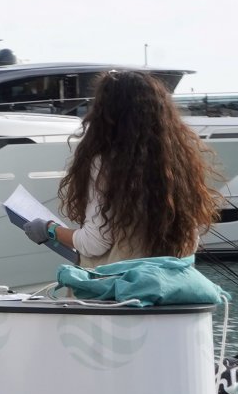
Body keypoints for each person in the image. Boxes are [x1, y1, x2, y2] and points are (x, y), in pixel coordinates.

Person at [19, 70, 221, 268]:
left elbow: (93, 244)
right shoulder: (178, 160)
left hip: (121, 291)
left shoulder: (106, 162)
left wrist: (49, 229)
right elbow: (191, 240)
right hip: (169, 287)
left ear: (105, 113)